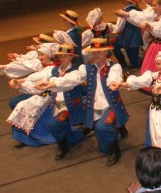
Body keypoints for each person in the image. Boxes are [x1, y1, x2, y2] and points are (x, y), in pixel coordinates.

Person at [36, 38, 129, 166]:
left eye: (99, 52)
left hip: (110, 106)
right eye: (94, 52)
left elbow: (115, 76)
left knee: (102, 128)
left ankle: (116, 151)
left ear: (106, 52)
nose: (95, 55)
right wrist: (53, 83)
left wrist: (114, 82)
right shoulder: (87, 69)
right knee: (102, 145)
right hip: (93, 108)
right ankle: (119, 129)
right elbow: (74, 77)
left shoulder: (114, 67)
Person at [6, 43, 85, 151]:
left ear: (71, 57)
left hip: (69, 105)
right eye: (60, 56)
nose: (62, 58)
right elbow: (41, 85)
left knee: (55, 123)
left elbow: (67, 80)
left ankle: (65, 143)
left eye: (65, 56)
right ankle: (32, 138)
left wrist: (52, 84)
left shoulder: (75, 71)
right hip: (52, 101)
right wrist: (22, 84)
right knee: (26, 105)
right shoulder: (54, 70)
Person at [113, 0, 143, 69]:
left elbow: (118, 28)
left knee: (135, 62)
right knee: (135, 59)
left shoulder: (124, 12)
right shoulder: (139, 10)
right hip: (136, 38)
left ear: (124, 0)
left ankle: (123, 63)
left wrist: (109, 27)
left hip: (129, 39)